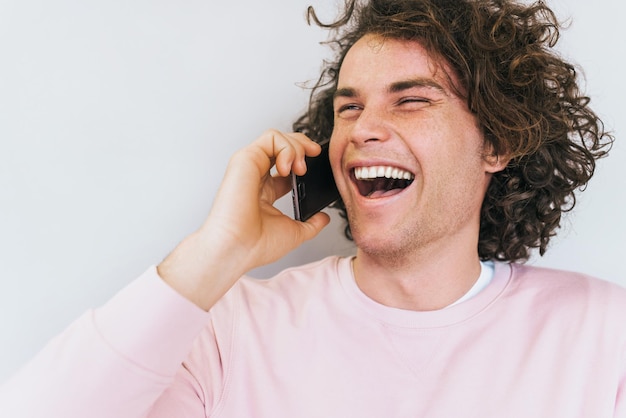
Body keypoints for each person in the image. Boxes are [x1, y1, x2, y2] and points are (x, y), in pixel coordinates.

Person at [0, 0, 624, 416]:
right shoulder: (230, 329)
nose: (363, 129)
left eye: (410, 101)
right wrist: (214, 255)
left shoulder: (604, 332)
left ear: (497, 141)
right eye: (349, 107)